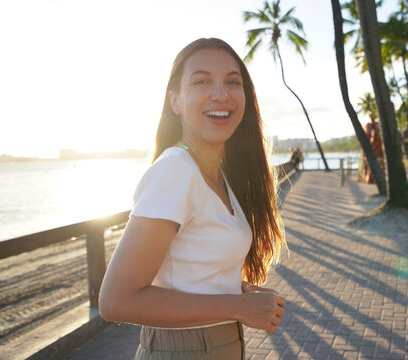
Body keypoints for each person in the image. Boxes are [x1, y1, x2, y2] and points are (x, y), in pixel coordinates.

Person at [99, 38, 287, 359]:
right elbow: (116, 301)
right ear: (175, 101)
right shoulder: (175, 170)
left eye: (232, 82)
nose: (220, 94)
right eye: (201, 81)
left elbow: (189, 268)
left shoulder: (219, 175)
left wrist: (236, 288)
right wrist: (238, 306)